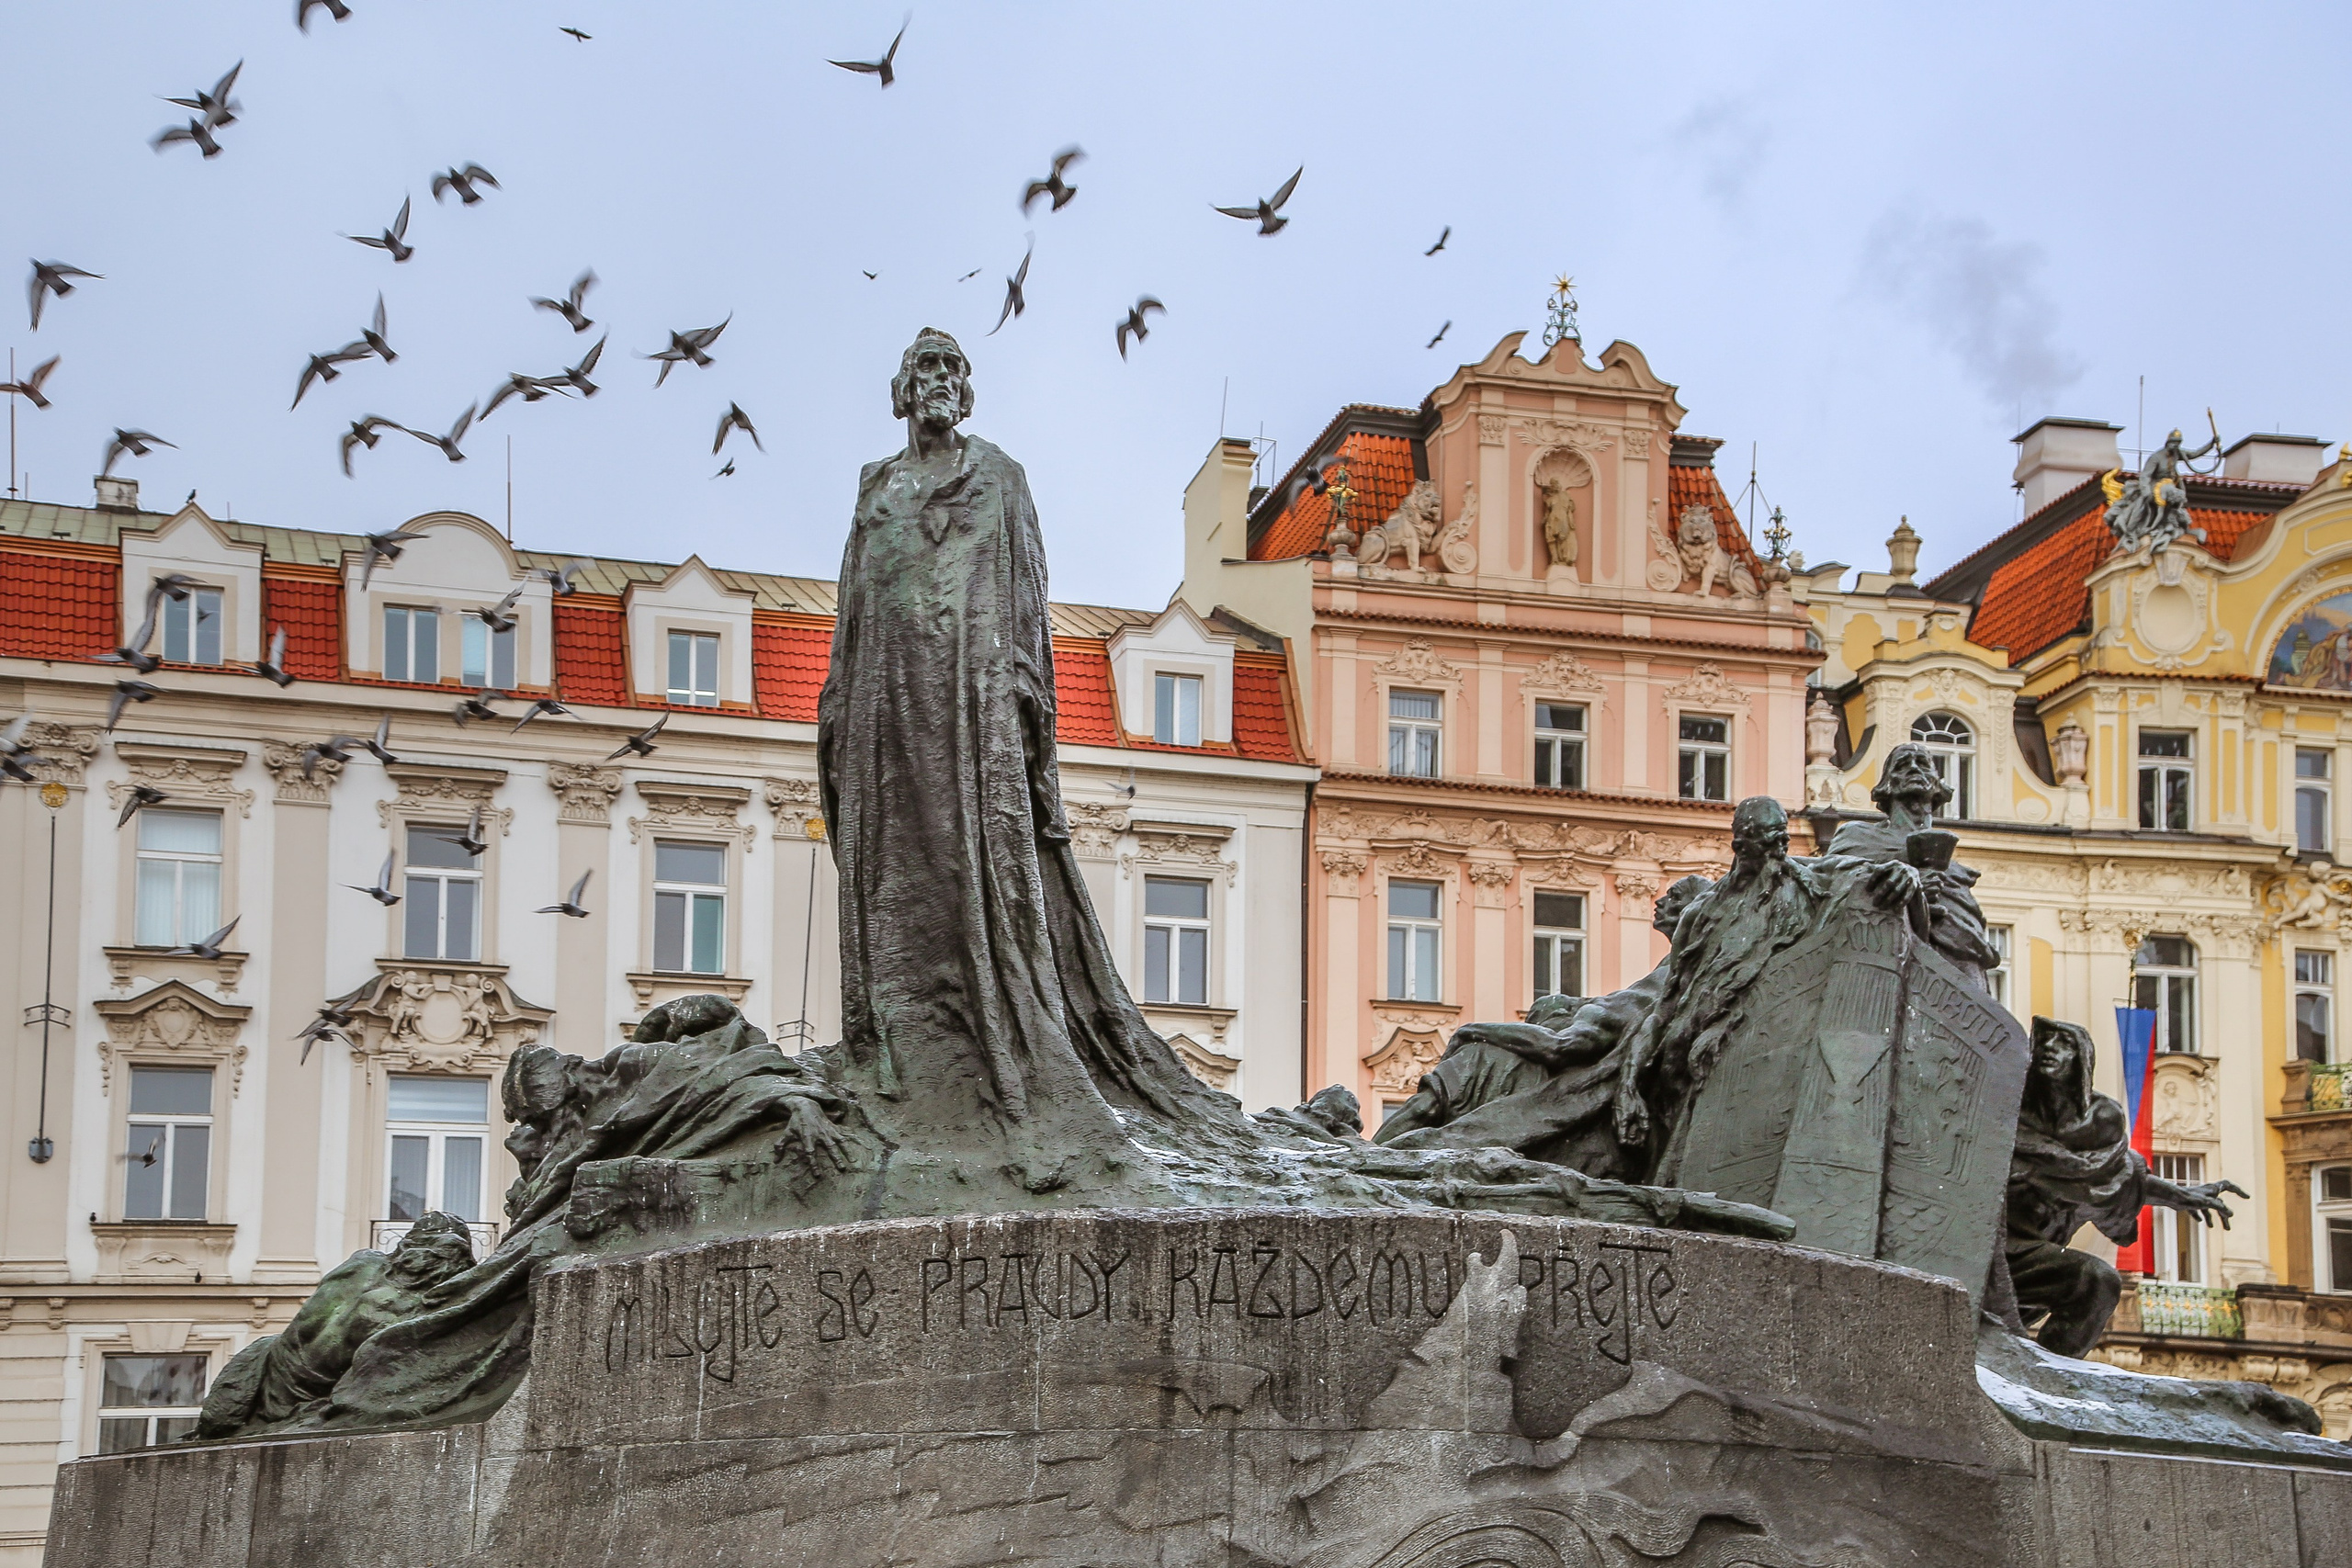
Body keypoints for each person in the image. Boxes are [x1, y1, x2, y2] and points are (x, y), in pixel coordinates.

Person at [817, 329, 1227, 1171]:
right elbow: (854, 606)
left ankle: (997, 1051)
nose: (940, 380)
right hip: (888, 706)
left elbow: (1027, 596)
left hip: (971, 708)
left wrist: (1025, 698)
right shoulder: (874, 487)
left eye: (952, 369)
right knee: (895, 870)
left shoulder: (999, 477)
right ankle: (902, 1045)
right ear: (902, 389)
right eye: (926, 368)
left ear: (965, 391)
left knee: (983, 867)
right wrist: (840, 702)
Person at [1376, 876, 1712, 1180]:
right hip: (1584, 1053)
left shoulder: (1674, 975)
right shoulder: (1668, 971)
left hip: (1582, 1062)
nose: (1659, 901)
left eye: (1674, 896)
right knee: (1459, 1076)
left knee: (1469, 1066)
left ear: (1694, 910)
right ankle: (1373, 1157)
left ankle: (1372, 1157)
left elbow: (1560, 1047)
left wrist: (1473, 1030)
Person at [2007, 1017, 2246, 1357]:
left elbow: (2118, 1179)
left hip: (2029, 1254)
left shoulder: (2099, 1123)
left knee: (2098, 1282)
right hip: (1987, 1244)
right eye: (2043, 1040)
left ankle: (2045, 1375)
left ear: (2082, 1058)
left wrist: (2182, 1195)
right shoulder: (2006, 1111)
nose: (2049, 1048)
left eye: (2063, 1043)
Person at [194, 1213, 477, 1438]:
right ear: (454, 1260)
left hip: (266, 1364)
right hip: (307, 1395)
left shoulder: (362, 1261)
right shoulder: (418, 1309)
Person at [1821, 741, 2003, 987]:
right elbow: (1827, 883)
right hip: (1880, 967)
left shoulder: (1952, 869)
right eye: (1903, 765)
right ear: (1888, 784)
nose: (1914, 768)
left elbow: (1969, 947)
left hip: (1951, 978)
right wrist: (1908, 888)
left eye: (1923, 764)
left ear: (1937, 784)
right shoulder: (1859, 837)